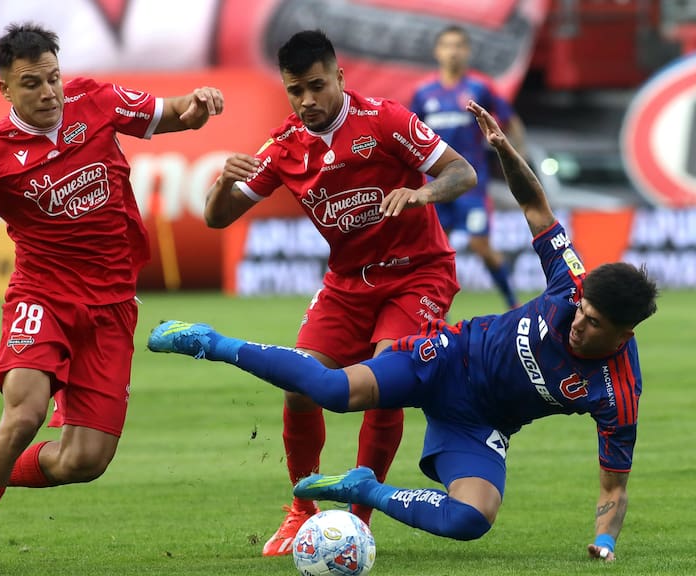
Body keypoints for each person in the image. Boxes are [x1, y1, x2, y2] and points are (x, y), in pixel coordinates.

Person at [148, 99, 659, 563]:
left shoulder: (617, 393)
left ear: (623, 337)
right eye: (582, 311)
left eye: (592, 325)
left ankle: (364, 489)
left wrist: (605, 542)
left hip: (479, 425)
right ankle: (211, 342)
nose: (578, 324)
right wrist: (503, 150)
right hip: (445, 359)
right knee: (332, 389)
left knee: (471, 520)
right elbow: (535, 207)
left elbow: (614, 488)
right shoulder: (571, 283)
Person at [0, 23, 224, 576]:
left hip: (112, 306)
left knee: (84, 461)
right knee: (24, 413)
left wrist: (201, 104)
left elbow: (176, 112)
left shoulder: (96, 100)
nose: (48, 93)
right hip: (42, 296)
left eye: (53, 79)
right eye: (32, 83)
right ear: (5, 90)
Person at [203, 29, 477, 556]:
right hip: (348, 284)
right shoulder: (283, 146)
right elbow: (219, 219)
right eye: (295, 91)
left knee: (383, 379)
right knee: (299, 385)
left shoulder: (386, 120)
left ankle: (359, 516)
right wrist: (220, 183)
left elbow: (460, 171)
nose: (307, 100)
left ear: (339, 78)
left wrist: (422, 193)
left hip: (417, 272)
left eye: (316, 86)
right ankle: (301, 510)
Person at [410, 25, 527, 310]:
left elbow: (510, 122)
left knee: (481, 247)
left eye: (459, 45)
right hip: (435, 186)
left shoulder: (478, 89)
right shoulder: (424, 93)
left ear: (467, 51)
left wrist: (516, 159)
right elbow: (409, 133)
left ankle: (513, 304)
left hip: (471, 185)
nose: (453, 51)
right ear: (438, 52)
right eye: (447, 45)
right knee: (435, 252)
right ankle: (436, 314)